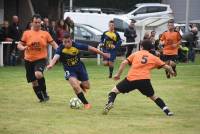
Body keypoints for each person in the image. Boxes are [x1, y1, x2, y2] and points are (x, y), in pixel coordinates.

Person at [102, 40, 174, 116]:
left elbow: (124, 63)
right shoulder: (154, 58)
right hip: (144, 80)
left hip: (131, 79)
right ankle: (167, 111)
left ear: (141, 46)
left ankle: (110, 102)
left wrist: (118, 75)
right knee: (153, 97)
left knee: (114, 91)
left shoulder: (136, 54)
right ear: (150, 48)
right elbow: (167, 67)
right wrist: (172, 72)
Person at [47, 33, 110, 109]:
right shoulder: (60, 48)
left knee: (87, 86)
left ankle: (80, 83)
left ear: (71, 40)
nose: (66, 44)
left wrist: (103, 54)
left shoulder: (76, 45)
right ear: (62, 42)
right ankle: (86, 103)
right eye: (64, 42)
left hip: (80, 67)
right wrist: (51, 64)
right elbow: (55, 57)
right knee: (75, 86)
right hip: (69, 70)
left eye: (68, 41)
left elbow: (91, 48)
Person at [17, 14, 58, 102]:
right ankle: (41, 98)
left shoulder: (45, 33)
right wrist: (22, 48)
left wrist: (60, 51)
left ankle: (44, 92)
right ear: (32, 22)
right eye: (35, 22)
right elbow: (19, 44)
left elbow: (54, 44)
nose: (37, 24)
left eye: (39, 22)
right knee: (34, 82)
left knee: (38, 74)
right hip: (28, 60)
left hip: (41, 59)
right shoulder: (26, 33)